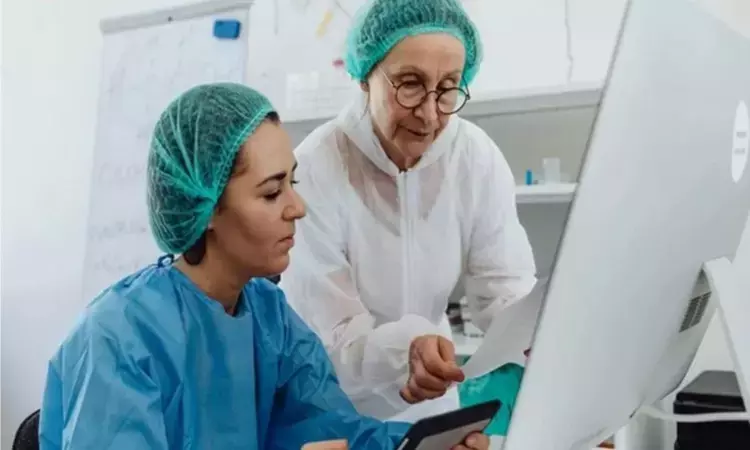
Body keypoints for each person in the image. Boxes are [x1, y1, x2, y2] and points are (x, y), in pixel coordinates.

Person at [37, 83, 490, 450]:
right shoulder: (118, 339)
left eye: (293, 182)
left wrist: (421, 447)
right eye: (272, 193)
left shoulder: (270, 318)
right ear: (206, 207)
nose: (297, 208)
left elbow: (333, 430)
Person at [280, 0, 537, 423]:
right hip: (340, 408)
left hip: (434, 400)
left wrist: (535, 334)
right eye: (410, 84)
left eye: (448, 86)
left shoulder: (473, 156)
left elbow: (503, 287)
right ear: (365, 76)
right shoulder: (314, 169)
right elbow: (329, 335)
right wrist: (405, 353)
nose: (430, 114)